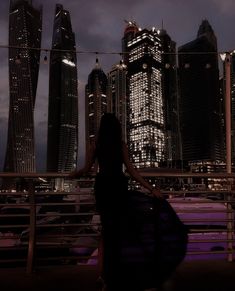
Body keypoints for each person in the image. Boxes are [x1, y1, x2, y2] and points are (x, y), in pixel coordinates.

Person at [70, 113, 162, 291]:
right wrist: (152, 189)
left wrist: (75, 173)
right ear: (117, 128)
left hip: (104, 188)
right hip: (119, 188)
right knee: (118, 232)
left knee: (107, 232)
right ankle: (115, 274)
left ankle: (105, 276)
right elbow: (132, 171)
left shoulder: (95, 144)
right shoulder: (121, 145)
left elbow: (87, 168)